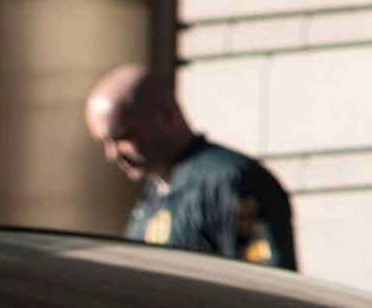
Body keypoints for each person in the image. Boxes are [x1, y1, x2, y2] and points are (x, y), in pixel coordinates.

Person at [84, 64, 296, 268]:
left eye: (121, 137)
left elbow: (266, 288)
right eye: (104, 142)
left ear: (164, 115)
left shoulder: (230, 182)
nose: (112, 154)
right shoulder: (152, 200)